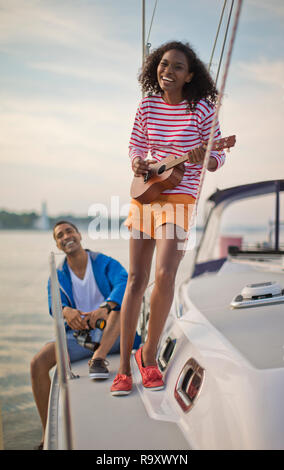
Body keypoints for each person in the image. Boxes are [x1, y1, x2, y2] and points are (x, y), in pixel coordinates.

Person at [111, 41, 225, 396]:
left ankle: (147, 357)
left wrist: (203, 159)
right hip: (147, 191)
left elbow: (217, 155)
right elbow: (135, 144)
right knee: (135, 278)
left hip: (180, 195)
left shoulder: (202, 109)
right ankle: (123, 368)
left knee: (164, 273)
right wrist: (137, 163)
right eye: (163, 64)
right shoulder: (147, 103)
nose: (168, 71)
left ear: (190, 75)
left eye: (177, 67)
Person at [30, 220, 136, 448]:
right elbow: (53, 304)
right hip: (81, 337)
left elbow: (124, 281)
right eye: (60, 235)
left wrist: (106, 306)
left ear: (79, 235)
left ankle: (98, 359)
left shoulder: (103, 262)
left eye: (69, 231)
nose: (66, 236)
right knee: (37, 363)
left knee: (118, 308)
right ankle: (45, 434)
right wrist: (66, 311)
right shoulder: (57, 275)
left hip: (113, 334)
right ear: (58, 244)